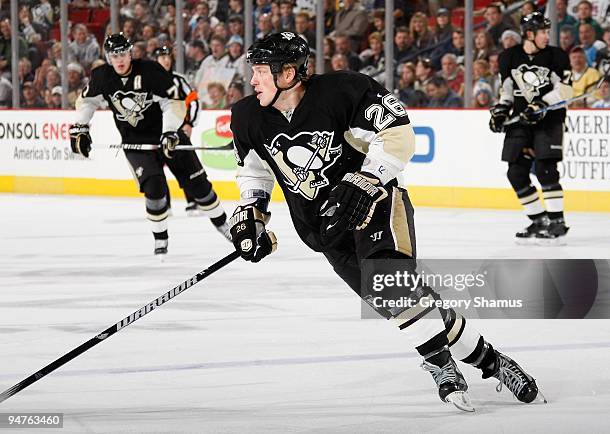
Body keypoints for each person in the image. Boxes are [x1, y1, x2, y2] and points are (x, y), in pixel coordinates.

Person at [229, 31, 542, 412]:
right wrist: (251, 214)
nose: (252, 79)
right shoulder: (248, 115)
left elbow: (397, 132)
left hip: (376, 202)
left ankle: (441, 366)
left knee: (393, 286)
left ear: (289, 72)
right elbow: (255, 173)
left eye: (261, 71)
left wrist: (366, 178)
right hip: (325, 230)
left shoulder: (345, 90)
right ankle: (495, 364)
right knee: (410, 304)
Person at [69, 33, 230, 256]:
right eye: (114, 55)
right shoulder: (102, 76)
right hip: (136, 143)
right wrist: (81, 127)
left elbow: (172, 101)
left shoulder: (150, 70)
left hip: (168, 136)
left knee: (200, 188)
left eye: (123, 53)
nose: (120, 59)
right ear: (108, 57)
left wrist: (170, 132)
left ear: (130, 52)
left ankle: (226, 227)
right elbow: (87, 101)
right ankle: (160, 242)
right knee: (154, 189)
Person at [489, 12, 572, 242]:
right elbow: (507, 91)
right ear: (529, 34)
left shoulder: (556, 56)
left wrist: (541, 104)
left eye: (547, 31)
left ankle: (557, 221)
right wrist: (501, 111)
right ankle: (538, 220)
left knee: (546, 169)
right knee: (515, 172)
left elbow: (566, 91)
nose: (547, 36)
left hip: (550, 119)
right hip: (522, 121)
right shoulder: (509, 57)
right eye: (543, 32)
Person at [154, 44, 220, 216]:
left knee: (185, 166)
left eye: (168, 57)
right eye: (162, 57)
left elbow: (194, 100)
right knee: (155, 170)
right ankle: (164, 205)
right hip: (155, 132)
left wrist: (189, 123)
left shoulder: (178, 80)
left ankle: (193, 200)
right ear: (156, 60)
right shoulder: (148, 81)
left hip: (176, 131)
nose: (166, 60)